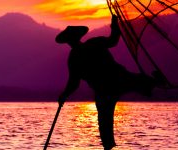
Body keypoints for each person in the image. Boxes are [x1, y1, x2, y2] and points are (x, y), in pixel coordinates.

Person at [55, 15, 159, 150]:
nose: (71, 42)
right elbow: (113, 40)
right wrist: (115, 25)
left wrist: (64, 95)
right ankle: (154, 82)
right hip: (113, 83)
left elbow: (74, 83)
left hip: (109, 86)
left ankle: (153, 82)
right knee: (139, 83)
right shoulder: (87, 48)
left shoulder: (77, 55)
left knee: (105, 126)